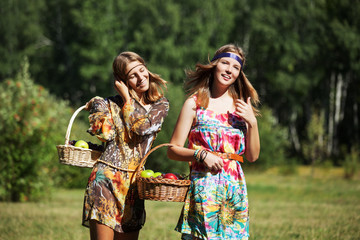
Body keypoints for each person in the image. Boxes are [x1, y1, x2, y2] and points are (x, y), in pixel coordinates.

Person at [167, 44, 260, 239]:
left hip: (234, 191)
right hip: (203, 188)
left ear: (239, 74)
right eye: (225, 63)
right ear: (215, 65)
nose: (229, 70)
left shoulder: (242, 107)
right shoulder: (195, 103)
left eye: (236, 67)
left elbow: (252, 156)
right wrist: (200, 154)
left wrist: (252, 122)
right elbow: (172, 150)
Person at [82, 51, 169, 240]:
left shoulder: (159, 105)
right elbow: (105, 134)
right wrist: (98, 104)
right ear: (123, 80)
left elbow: (141, 128)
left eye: (141, 70)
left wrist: (128, 101)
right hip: (104, 181)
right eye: (132, 75)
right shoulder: (111, 104)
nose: (140, 78)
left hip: (133, 187)